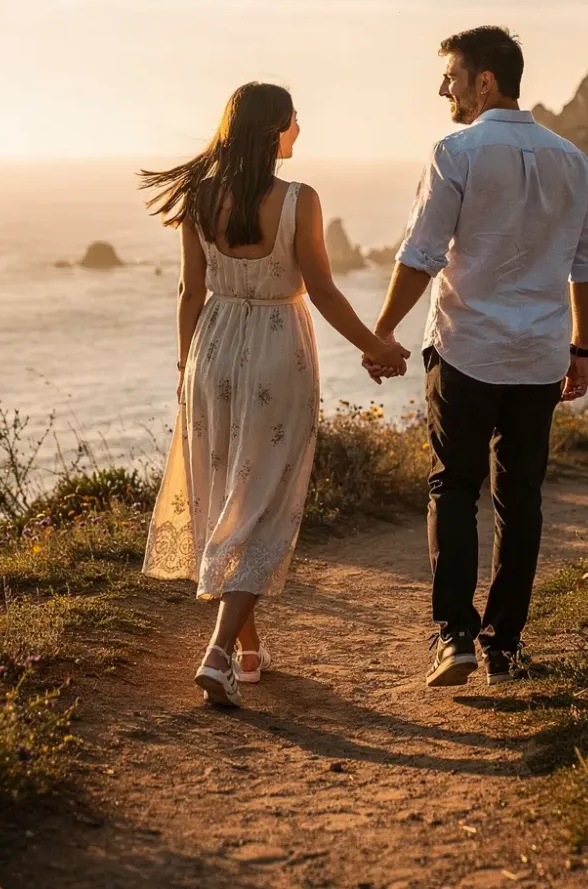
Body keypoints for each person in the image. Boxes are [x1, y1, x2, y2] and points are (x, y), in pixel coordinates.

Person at [140, 82, 411, 708]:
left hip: (210, 351)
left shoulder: (199, 197)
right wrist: (376, 345)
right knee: (261, 499)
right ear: (277, 129)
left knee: (225, 490)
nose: (300, 129)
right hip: (275, 351)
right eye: (295, 120)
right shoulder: (299, 199)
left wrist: (186, 369)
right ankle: (216, 652)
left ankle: (248, 649)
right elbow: (321, 289)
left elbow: (189, 293)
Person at [365, 27, 588, 688]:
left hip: (467, 349)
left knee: (454, 486)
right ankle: (504, 645)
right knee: (521, 499)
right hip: (538, 357)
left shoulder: (456, 151)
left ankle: (455, 637)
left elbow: (422, 254)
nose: (444, 88)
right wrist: (580, 347)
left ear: (484, 83)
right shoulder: (573, 159)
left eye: (452, 76)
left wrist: (382, 332)